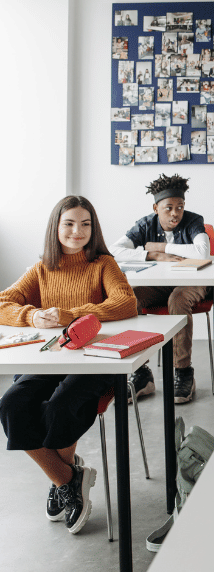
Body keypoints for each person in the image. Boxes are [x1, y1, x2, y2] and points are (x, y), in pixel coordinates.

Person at [0, 196, 139, 535]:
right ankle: (65, 477)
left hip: (94, 359)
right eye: (69, 224)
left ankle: (60, 479)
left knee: (60, 406)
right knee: (11, 404)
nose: (78, 231)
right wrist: (32, 315)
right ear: (56, 228)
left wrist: (71, 315)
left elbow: (126, 303)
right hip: (51, 357)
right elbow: (4, 301)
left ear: (94, 229)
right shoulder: (42, 268)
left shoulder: (103, 263)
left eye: (85, 224)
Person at [109, 174, 212, 404]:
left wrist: (162, 246)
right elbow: (113, 250)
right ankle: (141, 373)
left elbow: (203, 252)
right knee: (128, 298)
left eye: (180, 207)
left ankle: (183, 372)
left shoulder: (194, 221)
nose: (175, 213)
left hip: (191, 283)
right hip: (159, 284)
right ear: (156, 207)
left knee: (177, 300)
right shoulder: (145, 224)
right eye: (168, 208)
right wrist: (150, 254)